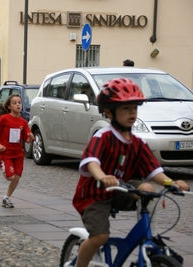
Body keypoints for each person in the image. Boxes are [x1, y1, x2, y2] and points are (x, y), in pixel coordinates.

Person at [72, 78, 189, 267]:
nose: (132, 112)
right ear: (109, 112)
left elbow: (153, 170)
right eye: (126, 108)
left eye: (134, 107)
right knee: (100, 236)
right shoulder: (104, 136)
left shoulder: (137, 143)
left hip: (120, 190)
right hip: (95, 195)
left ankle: (150, 233)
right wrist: (102, 176)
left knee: (147, 188)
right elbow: (91, 161)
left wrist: (171, 183)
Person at [0, 94, 34, 208]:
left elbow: (27, 139)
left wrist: (30, 138)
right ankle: (0, 163)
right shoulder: (4, 119)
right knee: (11, 177)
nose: (18, 105)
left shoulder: (23, 122)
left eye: (19, 102)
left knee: (17, 177)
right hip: (5, 153)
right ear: (9, 107)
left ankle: (6, 197)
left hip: (18, 153)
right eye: (14, 103)